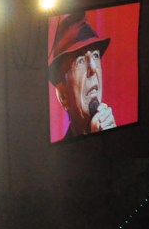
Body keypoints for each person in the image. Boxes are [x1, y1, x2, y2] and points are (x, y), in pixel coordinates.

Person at [48, 11, 116, 139]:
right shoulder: (63, 154)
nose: (93, 68)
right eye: (80, 61)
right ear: (63, 96)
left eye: (95, 56)